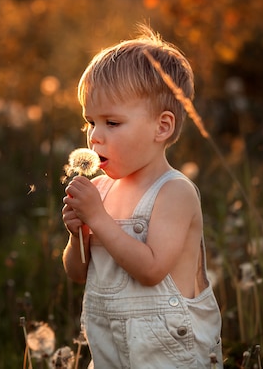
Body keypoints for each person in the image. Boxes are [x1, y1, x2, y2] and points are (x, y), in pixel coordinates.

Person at [62, 25, 222, 368]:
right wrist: (79, 233)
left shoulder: (174, 192)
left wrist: (100, 220)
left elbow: (150, 270)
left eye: (112, 123)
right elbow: (77, 272)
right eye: (90, 121)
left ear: (161, 127)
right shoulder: (101, 191)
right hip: (109, 353)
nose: (95, 137)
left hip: (168, 355)